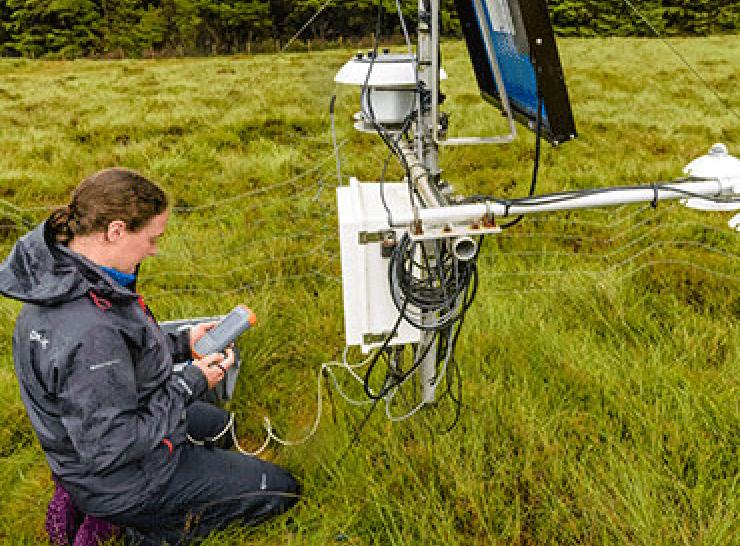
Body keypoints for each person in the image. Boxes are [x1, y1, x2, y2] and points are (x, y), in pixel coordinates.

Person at [0, 168, 299, 545]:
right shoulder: (89, 333)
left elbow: (122, 353)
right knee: (282, 490)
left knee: (220, 427)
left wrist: (183, 342)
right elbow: (114, 445)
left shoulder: (68, 276)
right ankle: (140, 529)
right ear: (116, 231)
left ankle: (102, 501)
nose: (155, 250)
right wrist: (193, 381)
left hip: (99, 440)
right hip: (122, 477)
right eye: (152, 239)